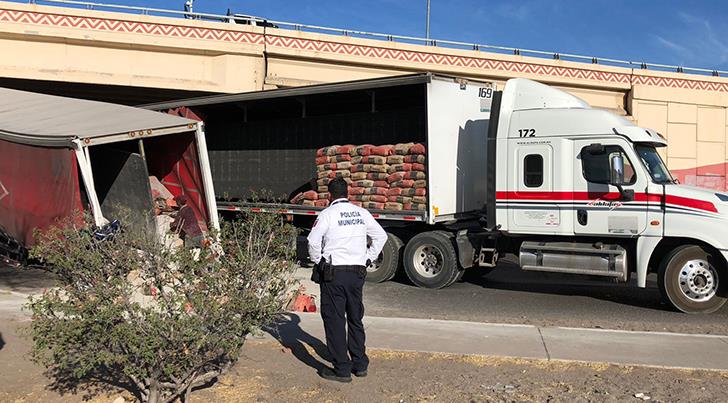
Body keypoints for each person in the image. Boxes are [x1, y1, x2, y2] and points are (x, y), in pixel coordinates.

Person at [307, 177, 387, 383]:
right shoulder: (362, 213)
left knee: (334, 319)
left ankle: (342, 369)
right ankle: (360, 364)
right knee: (355, 317)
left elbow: (312, 241)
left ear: (329, 195)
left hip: (334, 273)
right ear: (347, 193)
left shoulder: (327, 215)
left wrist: (318, 262)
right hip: (357, 272)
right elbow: (381, 236)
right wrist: (368, 257)